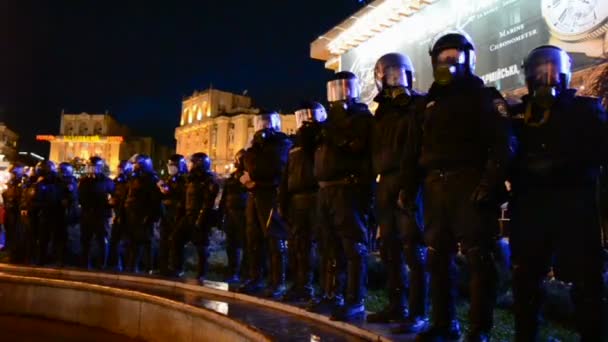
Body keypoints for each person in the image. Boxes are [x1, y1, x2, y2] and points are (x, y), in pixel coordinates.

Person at [400, 32, 512, 341]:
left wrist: (489, 184)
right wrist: (408, 188)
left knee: (479, 258)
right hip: (435, 187)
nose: (448, 64)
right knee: (436, 258)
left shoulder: (483, 96)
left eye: (454, 58)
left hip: (470, 183)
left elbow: (502, 144)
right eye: (442, 58)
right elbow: (412, 152)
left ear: (468, 60)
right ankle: (443, 324)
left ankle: (478, 330)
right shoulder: (425, 105)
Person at [509, 45, 607, 341]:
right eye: (540, 73)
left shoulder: (585, 110)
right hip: (531, 210)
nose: (547, 78)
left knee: (587, 283)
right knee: (526, 281)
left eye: (553, 72)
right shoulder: (516, 115)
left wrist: (562, 165)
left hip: (574, 208)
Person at [366, 52, 429, 333]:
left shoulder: (418, 104)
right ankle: (396, 305)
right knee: (390, 248)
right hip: (385, 183)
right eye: (387, 75)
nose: (393, 81)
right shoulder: (380, 112)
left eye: (398, 74)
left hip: (410, 182)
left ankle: (417, 311)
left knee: (413, 249)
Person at [311, 71, 374, 321]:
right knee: (329, 245)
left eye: (345, 88)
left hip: (349, 189)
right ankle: (331, 294)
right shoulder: (331, 122)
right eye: (335, 89)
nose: (340, 95)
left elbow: (356, 145)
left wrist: (334, 127)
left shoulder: (361, 117)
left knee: (352, 245)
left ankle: (354, 299)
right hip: (326, 190)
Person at [238, 110, 292, 298]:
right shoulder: (255, 147)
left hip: (271, 195)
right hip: (254, 195)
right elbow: (242, 165)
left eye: (266, 122)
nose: (262, 126)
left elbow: (273, 167)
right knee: (253, 239)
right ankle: (256, 278)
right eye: (259, 123)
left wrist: (252, 176)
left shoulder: (281, 143)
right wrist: (247, 177)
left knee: (274, 238)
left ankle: (278, 281)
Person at [278, 101, 327, 302]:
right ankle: (301, 285)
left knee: (323, 245)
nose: (305, 121)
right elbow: (286, 175)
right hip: (297, 200)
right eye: (302, 116)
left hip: (316, 197)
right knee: (298, 246)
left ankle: (326, 290)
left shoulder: (321, 138)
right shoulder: (293, 146)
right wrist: (283, 201)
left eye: (310, 115)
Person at [169, 152, 220, 283]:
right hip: (189, 214)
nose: (189, 165)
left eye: (192, 162)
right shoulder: (190, 179)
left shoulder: (208, 179)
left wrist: (200, 219)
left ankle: (201, 273)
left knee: (201, 245)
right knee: (176, 238)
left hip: (201, 216)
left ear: (199, 164)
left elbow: (208, 201)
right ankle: (177, 268)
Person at [123, 154, 162, 273]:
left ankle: (148, 268)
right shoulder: (134, 178)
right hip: (132, 215)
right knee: (133, 243)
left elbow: (155, 201)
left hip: (144, 216)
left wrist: (149, 217)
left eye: (136, 164)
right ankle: (132, 267)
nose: (134, 166)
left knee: (146, 243)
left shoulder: (151, 179)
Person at [21, 160, 63, 266]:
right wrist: (25, 207)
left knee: (45, 238)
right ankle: (31, 258)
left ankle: (43, 259)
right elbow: (26, 195)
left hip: (47, 213)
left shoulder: (55, 182)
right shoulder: (33, 181)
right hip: (34, 213)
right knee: (32, 237)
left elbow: (55, 198)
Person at [78, 156, 114, 269]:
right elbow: (79, 197)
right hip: (87, 214)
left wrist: (109, 203)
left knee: (102, 241)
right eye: (90, 166)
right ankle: (85, 263)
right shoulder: (84, 181)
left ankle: (102, 264)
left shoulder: (107, 181)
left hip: (101, 215)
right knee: (85, 240)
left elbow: (113, 198)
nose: (91, 169)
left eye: (93, 166)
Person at [218, 149, 248, 284]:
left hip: (243, 214)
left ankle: (244, 272)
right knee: (231, 245)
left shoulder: (249, 175)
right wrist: (221, 213)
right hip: (230, 213)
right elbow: (224, 197)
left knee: (246, 245)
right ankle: (232, 270)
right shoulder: (231, 178)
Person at [158, 154, 187, 276]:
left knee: (176, 242)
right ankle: (163, 267)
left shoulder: (184, 179)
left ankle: (176, 268)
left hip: (178, 213)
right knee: (164, 240)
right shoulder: (169, 179)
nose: (170, 167)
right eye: (169, 165)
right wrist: (162, 190)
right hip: (166, 213)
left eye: (173, 165)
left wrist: (169, 191)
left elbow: (183, 196)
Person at [108, 160, 132, 270]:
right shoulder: (116, 181)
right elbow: (113, 194)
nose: (119, 171)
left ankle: (125, 265)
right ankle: (114, 264)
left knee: (125, 243)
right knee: (113, 241)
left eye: (121, 169)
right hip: (117, 214)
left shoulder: (130, 182)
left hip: (126, 216)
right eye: (119, 169)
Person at [2, 163, 26, 263]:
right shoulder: (11, 184)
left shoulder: (22, 184)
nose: (10, 174)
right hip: (10, 213)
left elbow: (22, 199)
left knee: (17, 235)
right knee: (10, 234)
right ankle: (11, 254)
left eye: (13, 172)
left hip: (17, 215)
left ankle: (16, 256)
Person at [57, 162, 80, 266]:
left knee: (67, 237)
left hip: (68, 213)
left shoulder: (70, 181)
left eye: (61, 170)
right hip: (61, 212)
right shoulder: (59, 181)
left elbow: (73, 197)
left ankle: (66, 259)